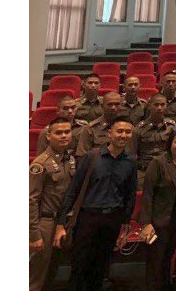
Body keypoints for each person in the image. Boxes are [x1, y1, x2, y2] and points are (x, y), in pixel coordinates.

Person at [55, 116, 138, 291]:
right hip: (88, 218)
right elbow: (74, 190)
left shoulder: (131, 162)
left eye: (127, 132)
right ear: (110, 133)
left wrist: (125, 224)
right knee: (79, 266)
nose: (123, 135)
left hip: (112, 219)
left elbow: (130, 195)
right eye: (119, 131)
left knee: (101, 268)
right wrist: (61, 223)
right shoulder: (91, 157)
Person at [138, 129, 176, 291]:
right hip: (158, 221)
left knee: (167, 258)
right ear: (170, 144)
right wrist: (146, 223)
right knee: (155, 262)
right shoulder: (158, 162)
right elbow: (148, 193)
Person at [30, 118, 76, 291]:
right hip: (45, 224)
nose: (64, 136)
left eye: (67, 132)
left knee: (53, 271)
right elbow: (31, 200)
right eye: (58, 133)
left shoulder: (70, 160)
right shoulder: (40, 164)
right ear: (48, 136)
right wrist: (34, 234)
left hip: (63, 223)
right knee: (36, 275)